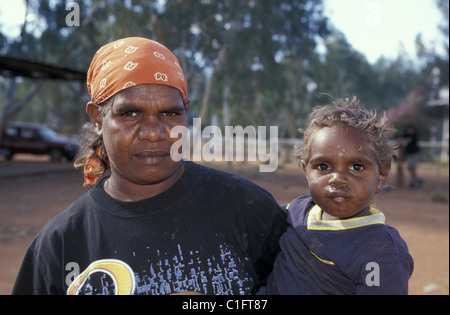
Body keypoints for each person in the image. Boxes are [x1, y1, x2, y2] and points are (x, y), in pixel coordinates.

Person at [12, 37, 287, 295]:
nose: (154, 132)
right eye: (130, 113)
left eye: (170, 113)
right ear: (97, 118)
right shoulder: (61, 244)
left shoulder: (246, 209)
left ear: (186, 112)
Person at [266, 97, 414, 295]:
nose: (337, 179)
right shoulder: (296, 211)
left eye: (356, 167)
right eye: (323, 167)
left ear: (381, 175)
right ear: (305, 170)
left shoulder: (382, 252)